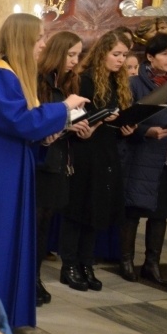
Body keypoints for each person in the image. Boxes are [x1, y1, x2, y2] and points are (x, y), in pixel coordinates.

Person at [0, 13, 88, 329]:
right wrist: (64, 107)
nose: (43, 44)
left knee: (2, 239)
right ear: (23, 40)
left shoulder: (8, 74)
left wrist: (44, 136)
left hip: (4, 168)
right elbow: (17, 120)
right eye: (39, 37)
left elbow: (17, 127)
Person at [60, 31, 134, 292]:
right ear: (103, 53)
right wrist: (100, 120)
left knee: (97, 209)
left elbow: (116, 118)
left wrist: (125, 127)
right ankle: (69, 264)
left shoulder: (117, 82)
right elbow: (77, 119)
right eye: (116, 54)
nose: (121, 60)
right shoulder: (86, 80)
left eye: (124, 55)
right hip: (84, 151)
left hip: (106, 151)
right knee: (78, 208)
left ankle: (86, 263)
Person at [33, 31, 87, 307]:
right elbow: (35, 118)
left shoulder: (67, 82)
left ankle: (36, 276)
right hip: (40, 161)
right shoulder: (38, 80)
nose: (75, 61)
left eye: (78, 55)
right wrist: (62, 122)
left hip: (60, 160)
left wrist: (83, 126)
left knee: (45, 223)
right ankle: (29, 278)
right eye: (71, 54)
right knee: (35, 222)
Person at [119, 33, 167, 286]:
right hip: (141, 155)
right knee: (133, 209)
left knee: (161, 212)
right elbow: (123, 120)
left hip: (165, 157)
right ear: (150, 57)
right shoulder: (135, 84)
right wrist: (146, 131)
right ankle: (126, 261)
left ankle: (152, 264)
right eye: (165, 54)